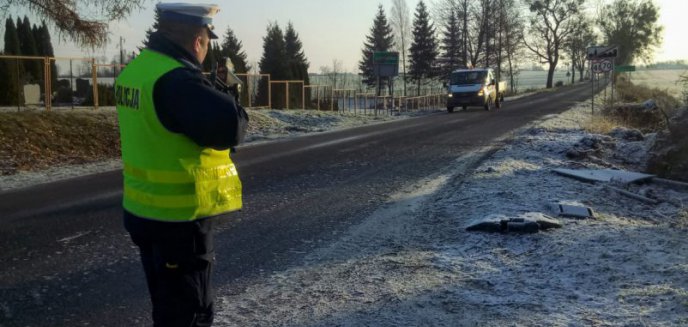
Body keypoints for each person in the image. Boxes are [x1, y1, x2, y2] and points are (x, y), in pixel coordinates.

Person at [115, 3, 248, 326]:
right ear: (198, 41)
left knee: (167, 308)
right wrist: (230, 93)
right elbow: (232, 127)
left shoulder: (138, 70)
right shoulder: (178, 81)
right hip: (178, 222)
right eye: (206, 41)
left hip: (144, 212)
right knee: (191, 315)